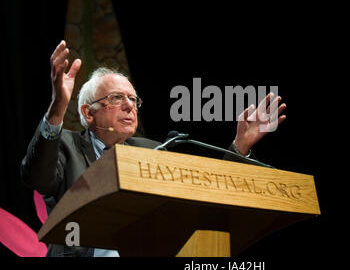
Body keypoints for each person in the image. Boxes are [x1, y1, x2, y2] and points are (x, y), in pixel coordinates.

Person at [20, 40, 287, 257]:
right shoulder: (65, 146)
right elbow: (36, 176)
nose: (129, 106)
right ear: (88, 113)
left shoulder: (155, 151)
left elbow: (203, 194)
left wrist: (239, 147)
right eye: (116, 98)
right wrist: (57, 109)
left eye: (133, 100)